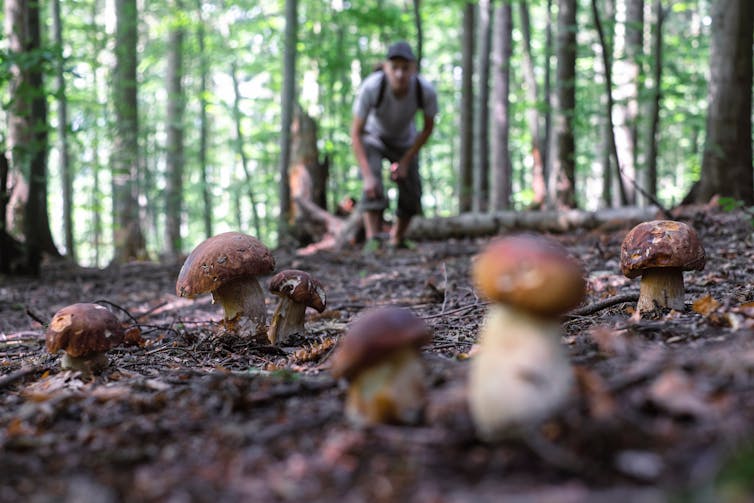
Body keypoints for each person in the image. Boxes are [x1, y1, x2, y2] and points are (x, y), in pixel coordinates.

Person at [350, 40, 438, 252]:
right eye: (394, 67)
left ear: (414, 69)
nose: (399, 73)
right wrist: (368, 176)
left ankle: (396, 239)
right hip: (374, 137)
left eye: (405, 68)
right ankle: (373, 241)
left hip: (405, 142)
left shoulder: (424, 91)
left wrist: (406, 161)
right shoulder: (372, 86)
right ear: (386, 67)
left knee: (412, 191)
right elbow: (355, 132)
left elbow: (427, 128)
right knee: (373, 187)